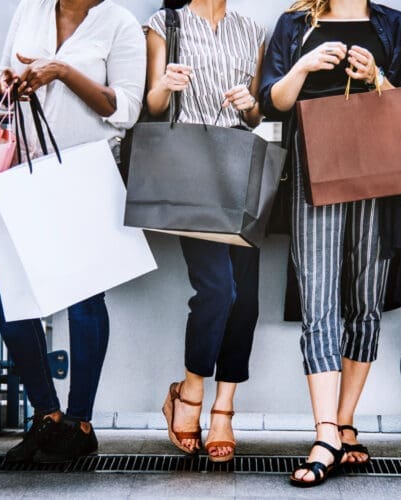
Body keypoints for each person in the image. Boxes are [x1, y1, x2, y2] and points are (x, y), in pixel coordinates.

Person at [260, 0, 401, 487]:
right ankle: (325, 432)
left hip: (378, 169)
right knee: (318, 294)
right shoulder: (294, 24)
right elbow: (271, 101)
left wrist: (376, 77)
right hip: (313, 167)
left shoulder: (395, 26)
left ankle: (346, 421)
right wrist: (305, 65)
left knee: (366, 297)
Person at [0, 0, 145, 463]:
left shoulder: (119, 22)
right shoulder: (30, 10)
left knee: (84, 299)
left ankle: (80, 423)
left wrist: (61, 71)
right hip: (22, 170)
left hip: (86, 174)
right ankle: (47, 415)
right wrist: (6, 83)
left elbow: (126, 109)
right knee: (4, 289)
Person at [145, 0, 266, 463]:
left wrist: (250, 103)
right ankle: (189, 389)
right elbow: (154, 105)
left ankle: (224, 409)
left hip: (240, 167)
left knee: (247, 298)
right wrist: (165, 85)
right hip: (191, 168)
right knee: (218, 290)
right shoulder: (164, 23)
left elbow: (254, 116)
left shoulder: (251, 29)